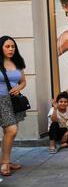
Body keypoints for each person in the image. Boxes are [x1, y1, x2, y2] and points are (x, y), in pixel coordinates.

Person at [0, 36, 27, 176]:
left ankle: (6, 161)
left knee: (8, 133)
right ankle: (4, 163)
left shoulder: (17, 62)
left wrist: (19, 87)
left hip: (13, 101)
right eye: (7, 46)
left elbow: (23, 81)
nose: (11, 49)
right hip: (1, 101)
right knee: (12, 130)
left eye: (13, 46)